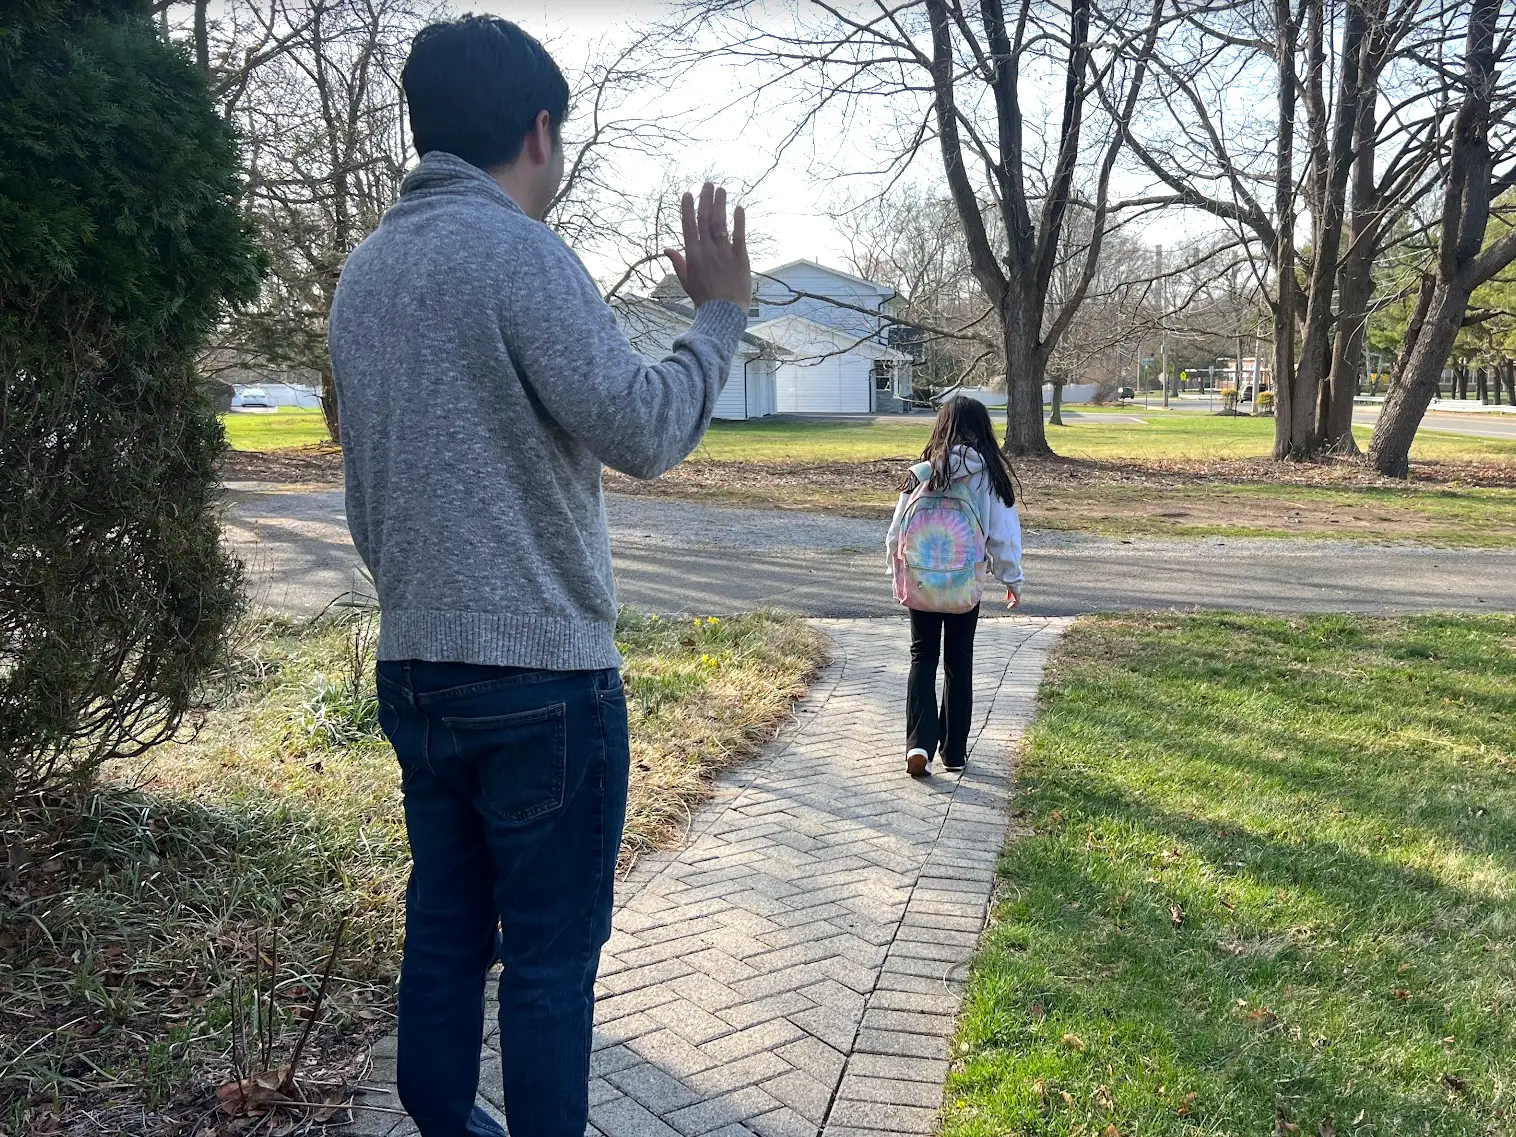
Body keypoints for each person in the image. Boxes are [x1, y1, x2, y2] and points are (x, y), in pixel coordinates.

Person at [326, 16, 751, 1137]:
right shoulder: (516, 251)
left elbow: (370, 493)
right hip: (541, 684)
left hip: (416, 664)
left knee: (447, 933)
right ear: (540, 130)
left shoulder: (364, 274)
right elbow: (645, 427)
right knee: (551, 967)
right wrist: (720, 314)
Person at [886, 397, 1024, 778]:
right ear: (983, 429)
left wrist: (898, 573)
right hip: (964, 585)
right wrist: (1011, 579)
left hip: (923, 579)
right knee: (959, 661)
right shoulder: (990, 476)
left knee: (922, 656)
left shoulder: (921, 472)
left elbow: (895, 533)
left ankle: (919, 743)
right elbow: (1003, 536)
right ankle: (954, 751)